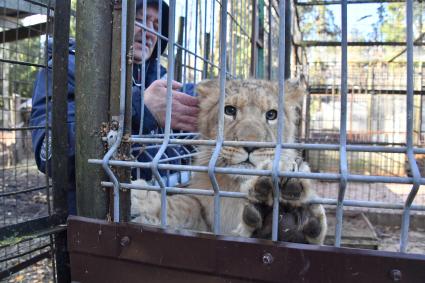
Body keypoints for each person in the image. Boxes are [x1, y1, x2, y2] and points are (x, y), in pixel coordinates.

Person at [30, 0, 199, 215]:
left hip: (169, 211)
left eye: (156, 27)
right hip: (102, 219)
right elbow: (51, 156)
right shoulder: (68, 68)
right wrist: (138, 110)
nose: (149, 32)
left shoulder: (158, 78)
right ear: (111, 22)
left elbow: (185, 148)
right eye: (139, 19)